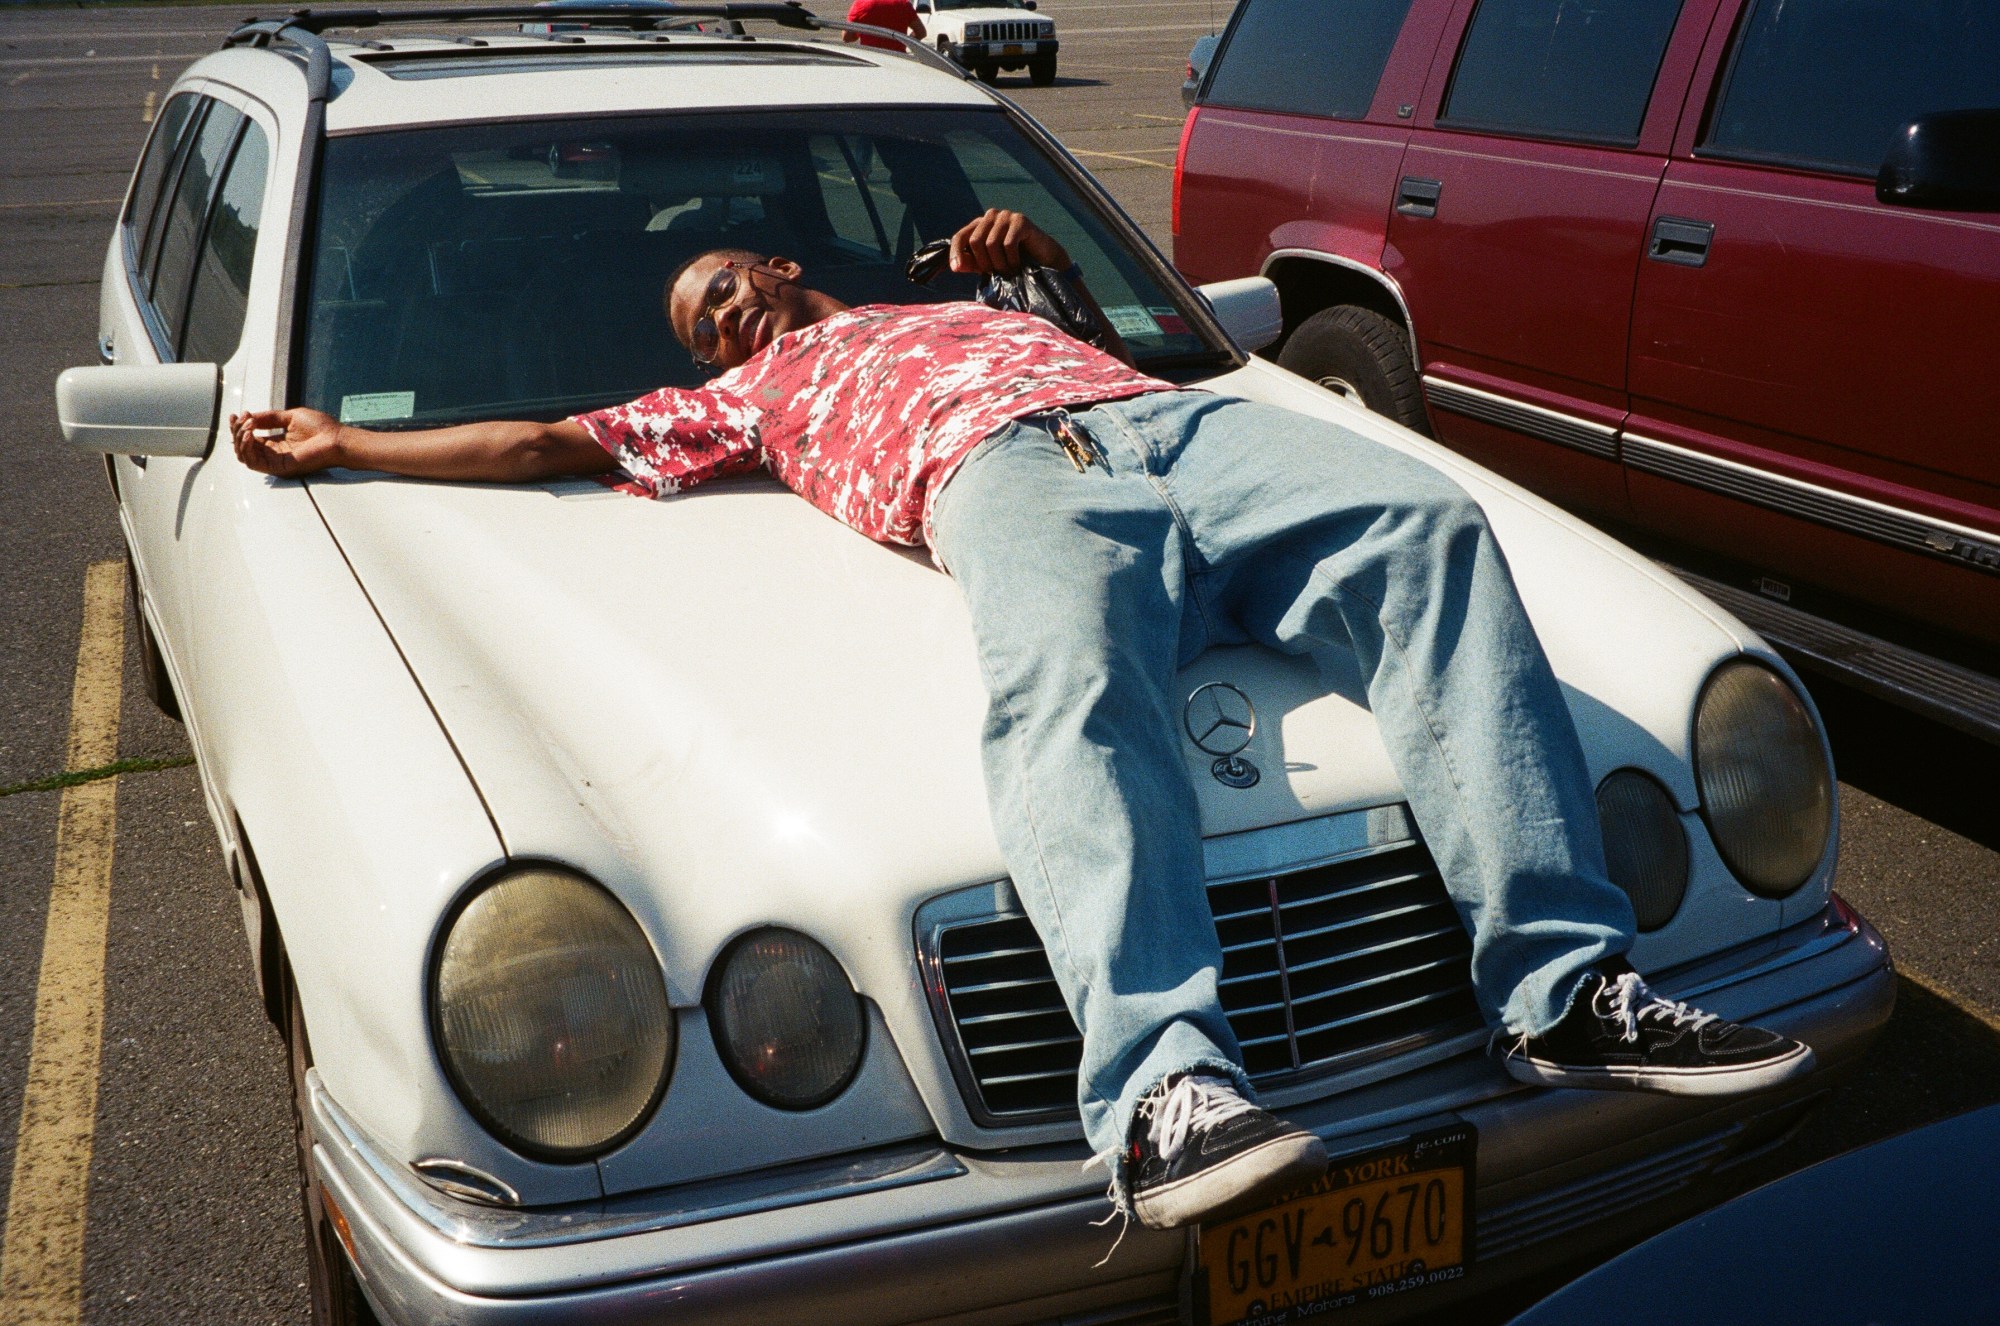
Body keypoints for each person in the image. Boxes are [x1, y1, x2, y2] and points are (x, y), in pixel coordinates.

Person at [231, 208, 1816, 1234]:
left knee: (1431, 529)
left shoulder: (992, 290)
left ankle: (1559, 987)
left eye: (722, 287)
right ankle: (1162, 1093)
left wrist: (1034, 241)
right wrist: (351, 445)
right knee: (1068, 687)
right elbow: (536, 444)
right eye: (694, 324)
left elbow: (1124, 320)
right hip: (1004, 478)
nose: (714, 323)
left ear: (779, 262)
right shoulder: (745, 401)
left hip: (1166, 420)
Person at [841, 0, 925, 50]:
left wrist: (859, 33)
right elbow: (921, 33)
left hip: (872, 58)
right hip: (899, 58)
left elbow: (846, 37)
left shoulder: (860, 4)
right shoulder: (904, 4)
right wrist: (906, 41)